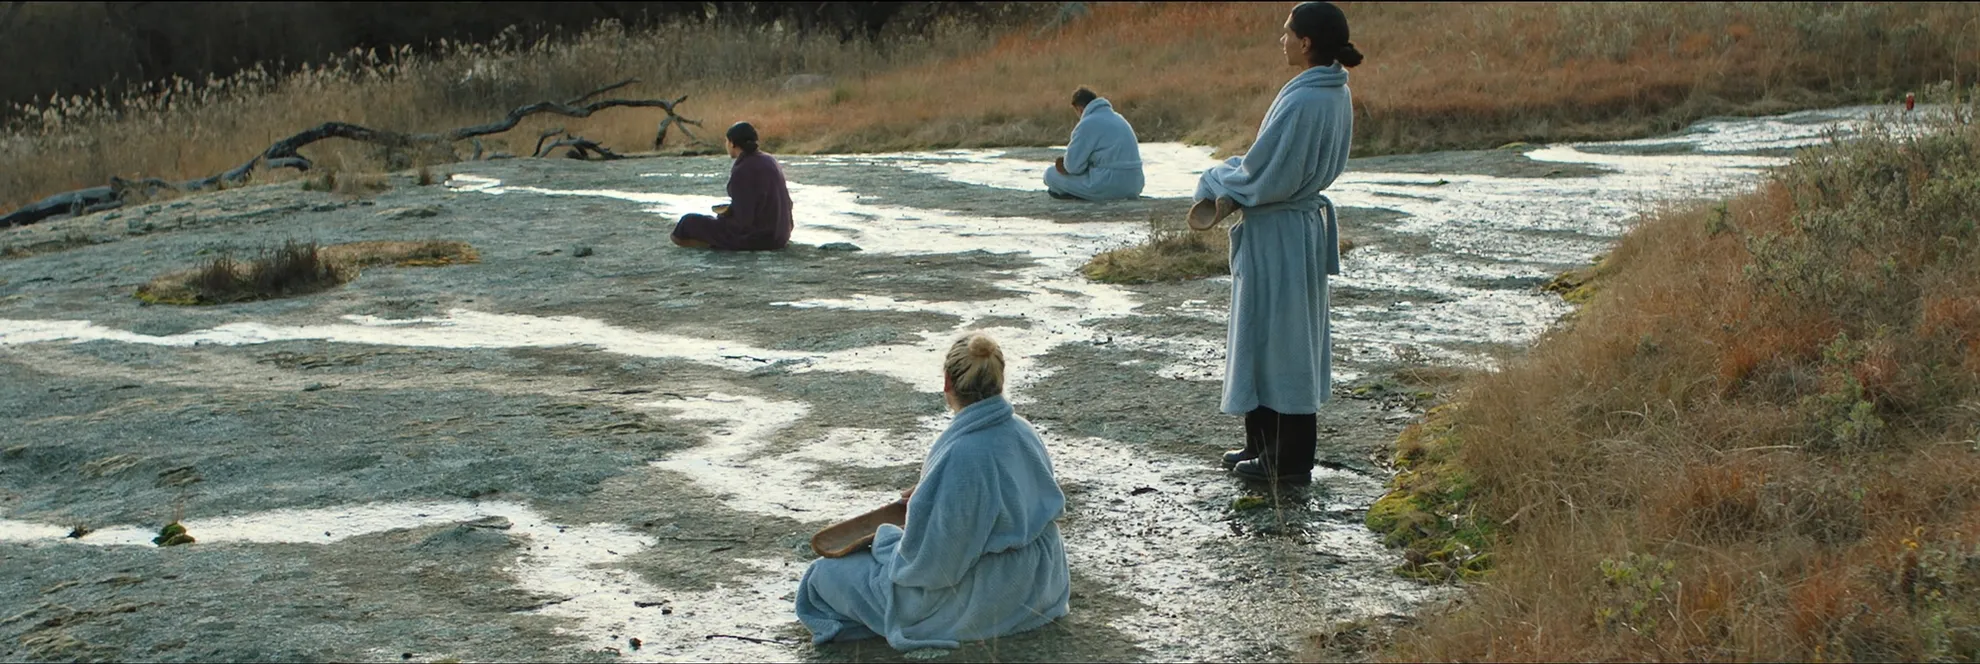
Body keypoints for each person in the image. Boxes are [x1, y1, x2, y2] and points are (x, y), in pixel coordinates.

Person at [794, 332, 1071, 651]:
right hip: (1041, 584)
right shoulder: (1022, 430)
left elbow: (934, 568)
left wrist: (885, 542)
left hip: (990, 598)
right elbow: (1005, 499)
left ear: (947, 384)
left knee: (823, 576)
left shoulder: (962, 453)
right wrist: (930, 495)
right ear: (999, 380)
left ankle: (882, 623)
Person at [1189, 1, 1364, 484]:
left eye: (1287, 33)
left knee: (1282, 341)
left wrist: (1216, 175)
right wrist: (1236, 173)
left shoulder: (1308, 99)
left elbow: (1263, 175)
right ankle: (1261, 444)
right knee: (1268, 335)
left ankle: (1287, 462)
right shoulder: (1330, 92)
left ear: (1306, 42)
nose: (1281, 40)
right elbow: (1271, 166)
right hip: (1290, 228)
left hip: (1281, 232)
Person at [671, 121, 795, 250]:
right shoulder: (770, 159)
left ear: (732, 143)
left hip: (759, 239)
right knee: (710, 221)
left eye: (726, 141)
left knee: (687, 223)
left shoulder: (743, 168)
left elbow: (744, 221)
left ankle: (713, 246)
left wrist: (725, 216)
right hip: (781, 234)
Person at [1042, 86, 1145, 201]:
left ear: (1079, 108)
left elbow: (1072, 167)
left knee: (1050, 174)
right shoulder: (1119, 119)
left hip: (1109, 184)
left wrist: (1066, 164)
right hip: (1135, 185)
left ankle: (1079, 195)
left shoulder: (1087, 123)